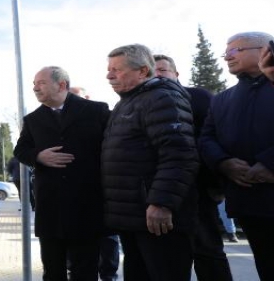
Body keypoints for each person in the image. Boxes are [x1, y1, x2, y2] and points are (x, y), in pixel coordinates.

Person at [102, 44, 199, 281]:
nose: (109, 75)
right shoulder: (127, 102)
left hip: (156, 218)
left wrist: (161, 203)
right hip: (134, 217)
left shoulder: (162, 98)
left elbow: (179, 154)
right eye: (108, 69)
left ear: (143, 71)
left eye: (116, 69)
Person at [14, 66, 110, 281]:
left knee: (84, 271)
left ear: (62, 84)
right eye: (34, 83)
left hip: (86, 206)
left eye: (41, 83)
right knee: (53, 271)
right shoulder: (32, 120)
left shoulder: (96, 111)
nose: (35, 87)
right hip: (51, 208)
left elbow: (113, 148)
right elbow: (20, 151)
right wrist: (38, 156)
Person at [199, 31, 274, 280]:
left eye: (234, 51)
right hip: (249, 199)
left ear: (264, 50)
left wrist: (268, 163)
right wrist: (224, 163)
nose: (227, 57)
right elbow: (206, 138)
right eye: (225, 52)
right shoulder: (222, 99)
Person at [153, 54, 233, 281]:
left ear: (176, 74)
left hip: (198, 190)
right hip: (161, 192)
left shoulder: (198, 97)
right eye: (153, 71)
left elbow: (215, 137)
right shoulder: (143, 102)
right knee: (171, 259)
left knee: (207, 251)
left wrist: (217, 181)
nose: (158, 75)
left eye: (163, 70)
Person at [68, 85, 120, 281]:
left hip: (103, 190)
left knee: (108, 239)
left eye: (77, 98)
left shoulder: (101, 116)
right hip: (75, 196)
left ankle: (109, 276)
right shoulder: (61, 123)